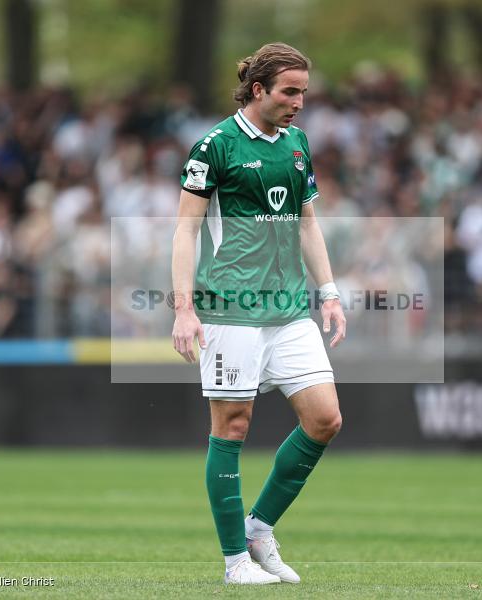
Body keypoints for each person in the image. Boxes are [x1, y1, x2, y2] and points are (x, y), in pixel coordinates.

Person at [171, 43, 345, 584]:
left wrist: (330, 291)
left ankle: (259, 527)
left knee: (325, 420)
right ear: (258, 90)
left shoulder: (297, 144)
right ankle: (234, 562)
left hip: (290, 308)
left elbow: (307, 223)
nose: (299, 103)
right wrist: (184, 308)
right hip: (230, 309)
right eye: (290, 92)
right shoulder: (215, 146)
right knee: (233, 425)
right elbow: (185, 229)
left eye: (303, 93)